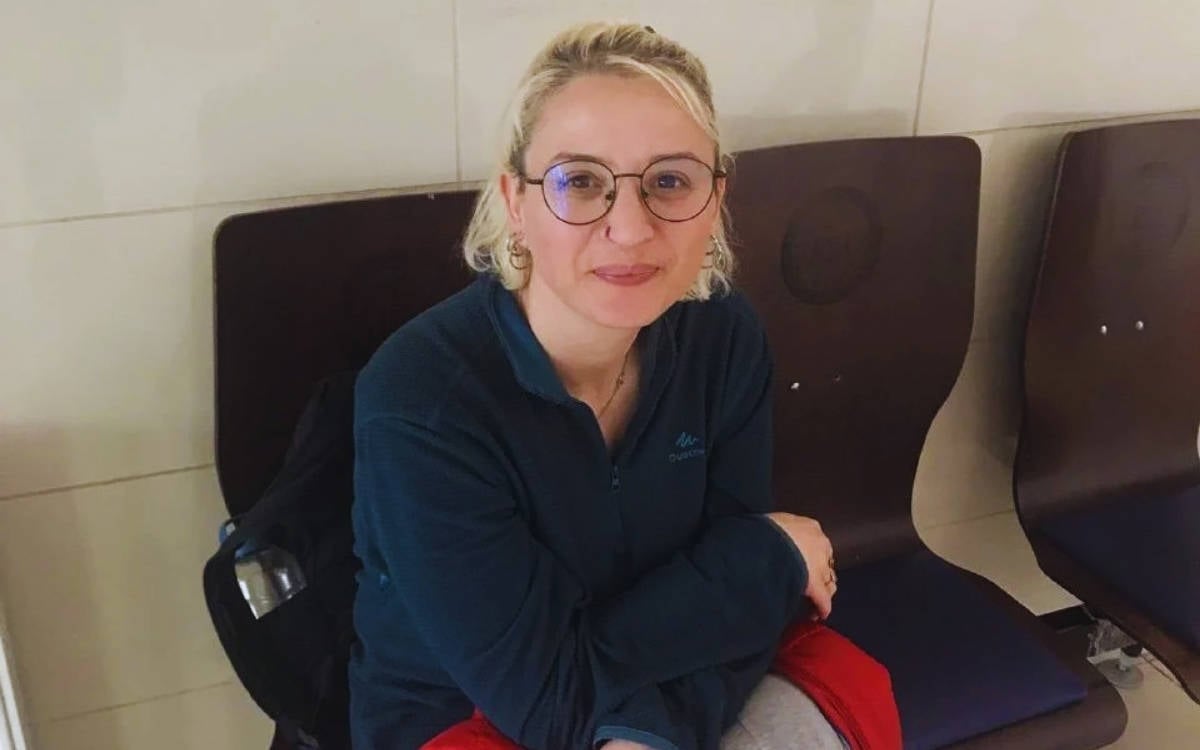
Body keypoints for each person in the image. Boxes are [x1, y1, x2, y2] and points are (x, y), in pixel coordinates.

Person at [349, 21, 846, 750]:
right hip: (461, 715)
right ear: (515, 203)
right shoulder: (422, 398)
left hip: (668, 677)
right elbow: (547, 696)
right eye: (580, 182)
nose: (631, 228)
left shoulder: (723, 336)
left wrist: (645, 732)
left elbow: (745, 603)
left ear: (714, 200)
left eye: (669, 181)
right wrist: (773, 558)